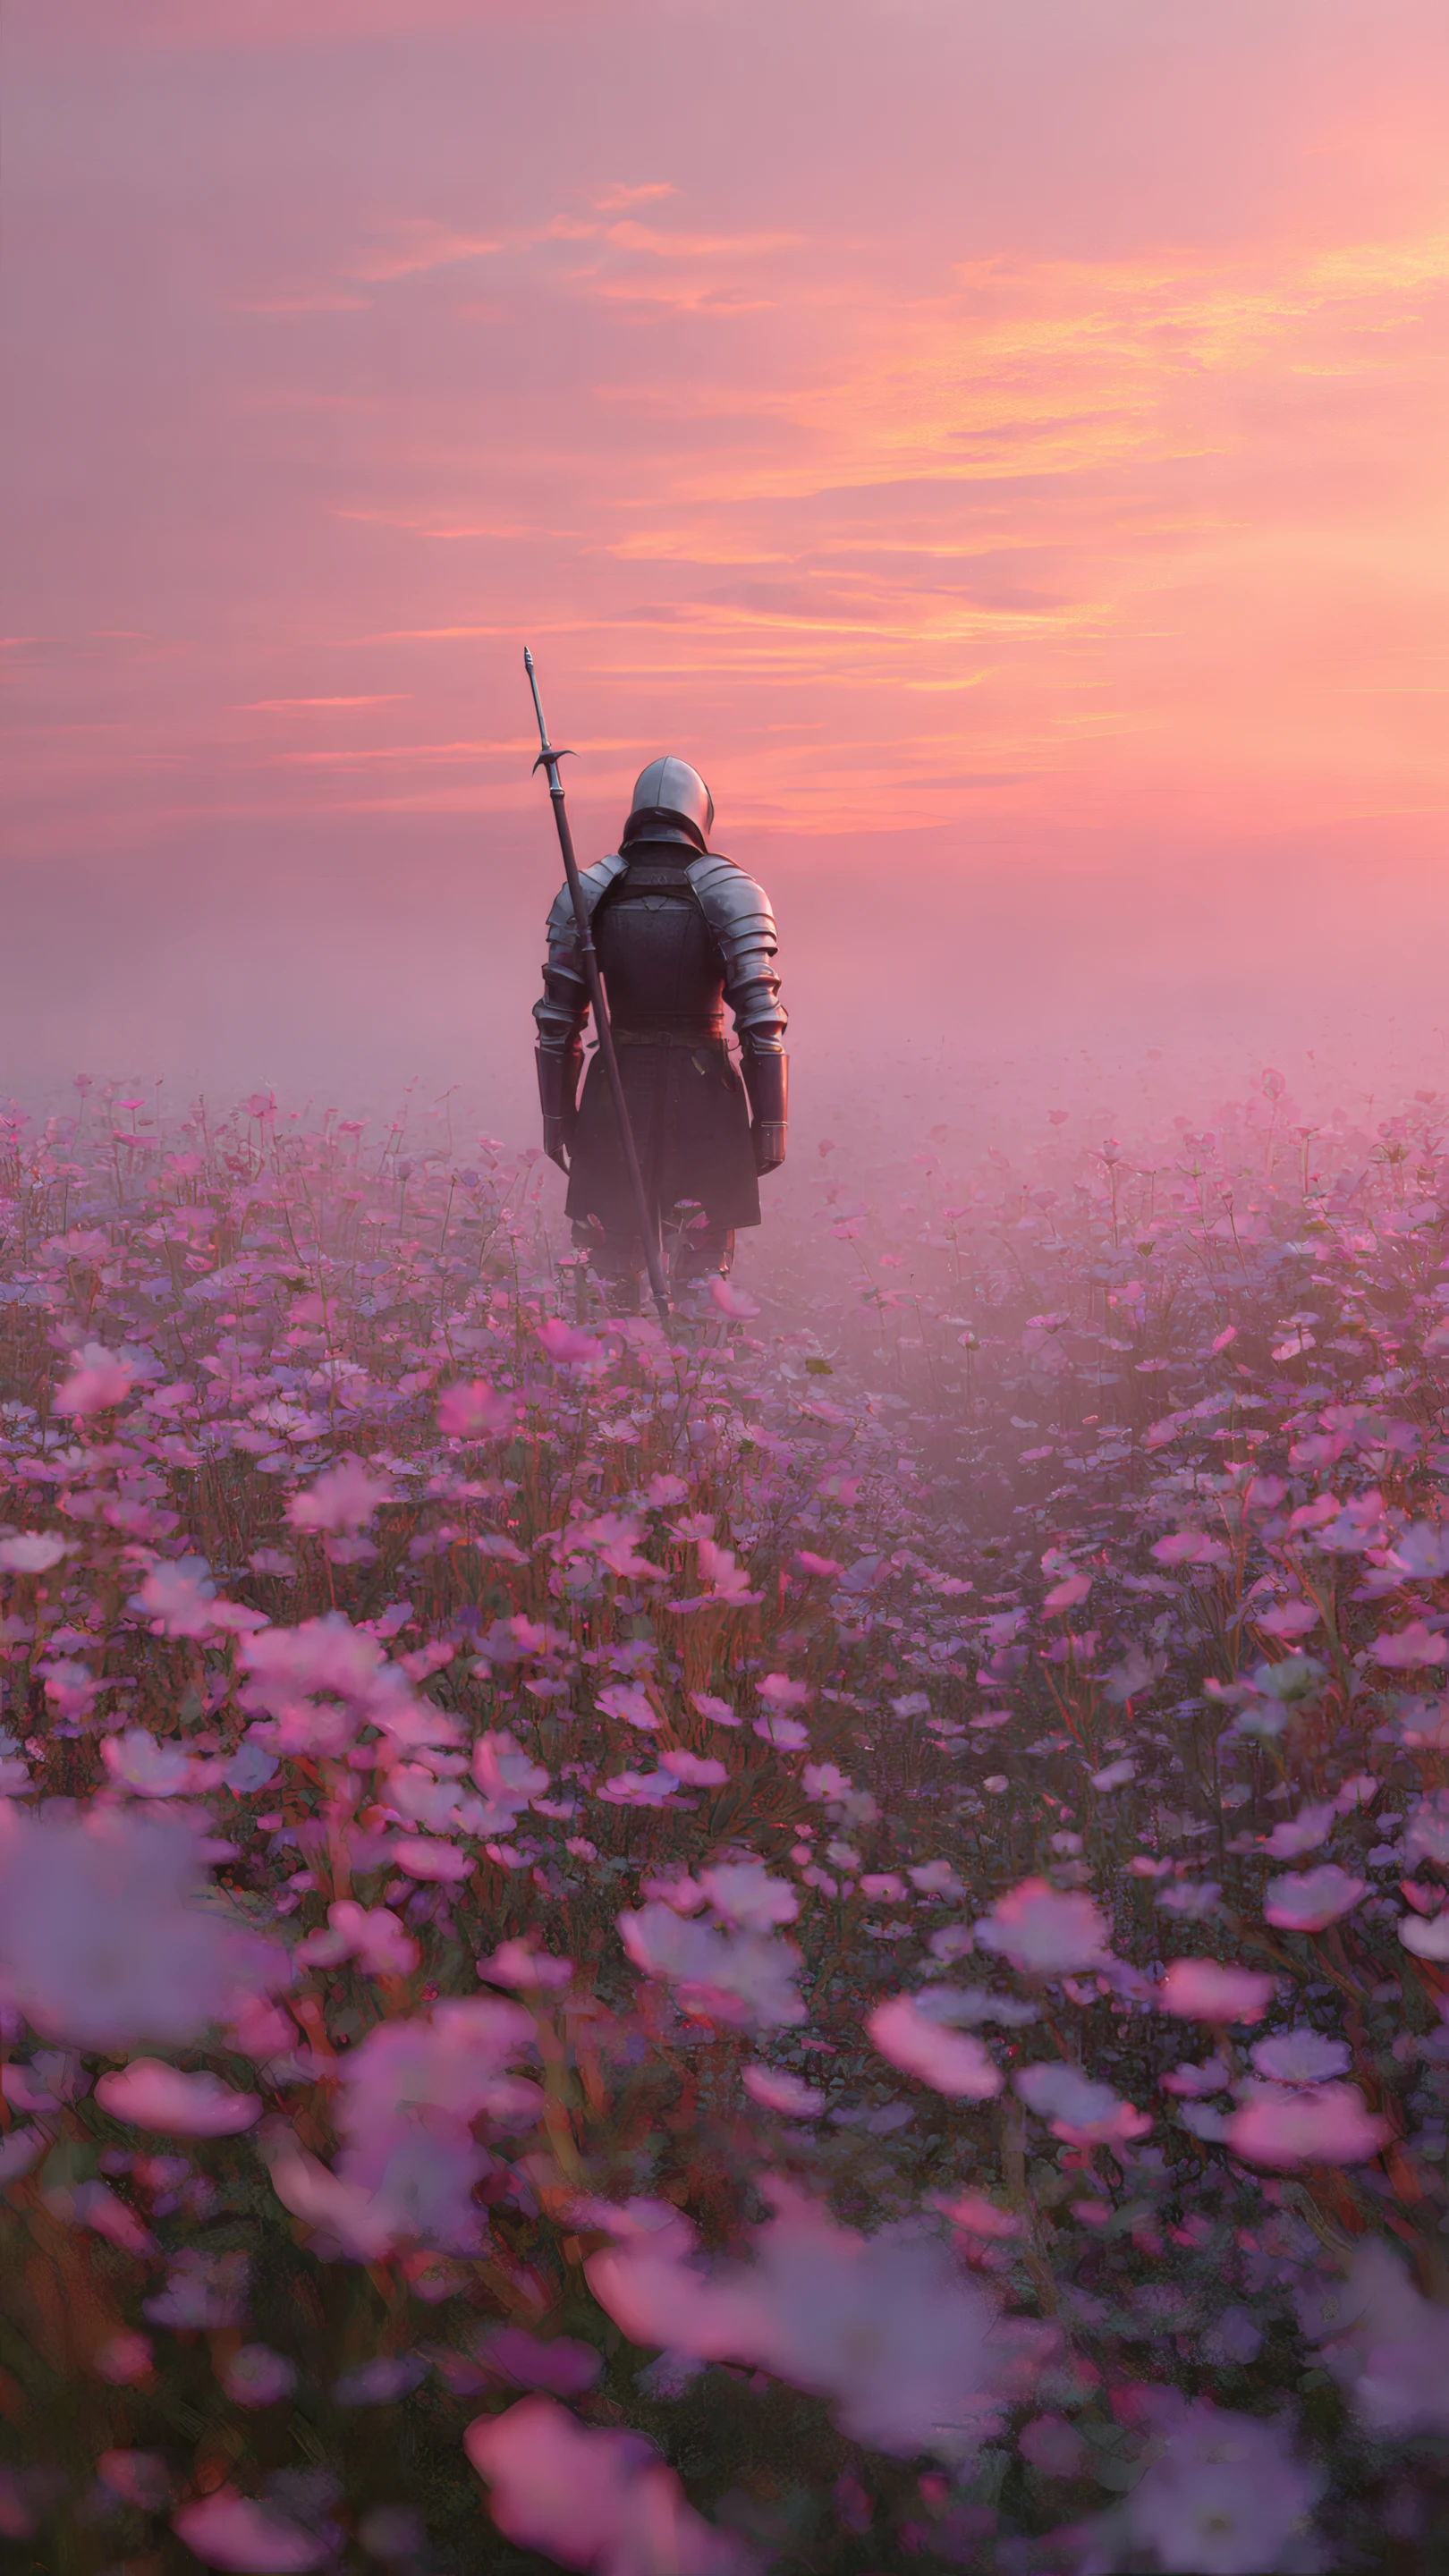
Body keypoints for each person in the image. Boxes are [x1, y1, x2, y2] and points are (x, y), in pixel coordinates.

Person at [533, 755, 787, 1310]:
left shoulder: (591, 890)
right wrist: (770, 1125)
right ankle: (693, 1382)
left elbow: (559, 1022)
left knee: (607, 1257)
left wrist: (557, 1118)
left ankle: (611, 1387)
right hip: (705, 1093)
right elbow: (761, 1022)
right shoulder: (733, 890)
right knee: (702, 1263)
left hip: (614, 1086)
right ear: (698, 815)